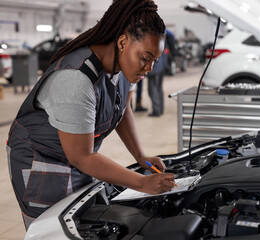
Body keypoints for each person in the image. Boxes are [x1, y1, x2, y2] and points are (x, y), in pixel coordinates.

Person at [6, 0, 175, 229]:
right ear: (123, 42)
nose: (150, 68)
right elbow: (82, 157)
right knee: (54, 229)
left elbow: (122, 110)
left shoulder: (122, 67)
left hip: (75, 155)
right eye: (145, 58)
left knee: (87, 221)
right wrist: (142, 183)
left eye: (154, 60)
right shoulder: (75, 79)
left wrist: (141, 157)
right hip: (42, 159)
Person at [147, 44, 167, 117]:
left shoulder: (149, 36)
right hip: (161, 66)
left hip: (154, 68)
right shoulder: (161, 34)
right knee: (159, 88)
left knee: (153, 90)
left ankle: (156, 110)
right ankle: (160, 109)